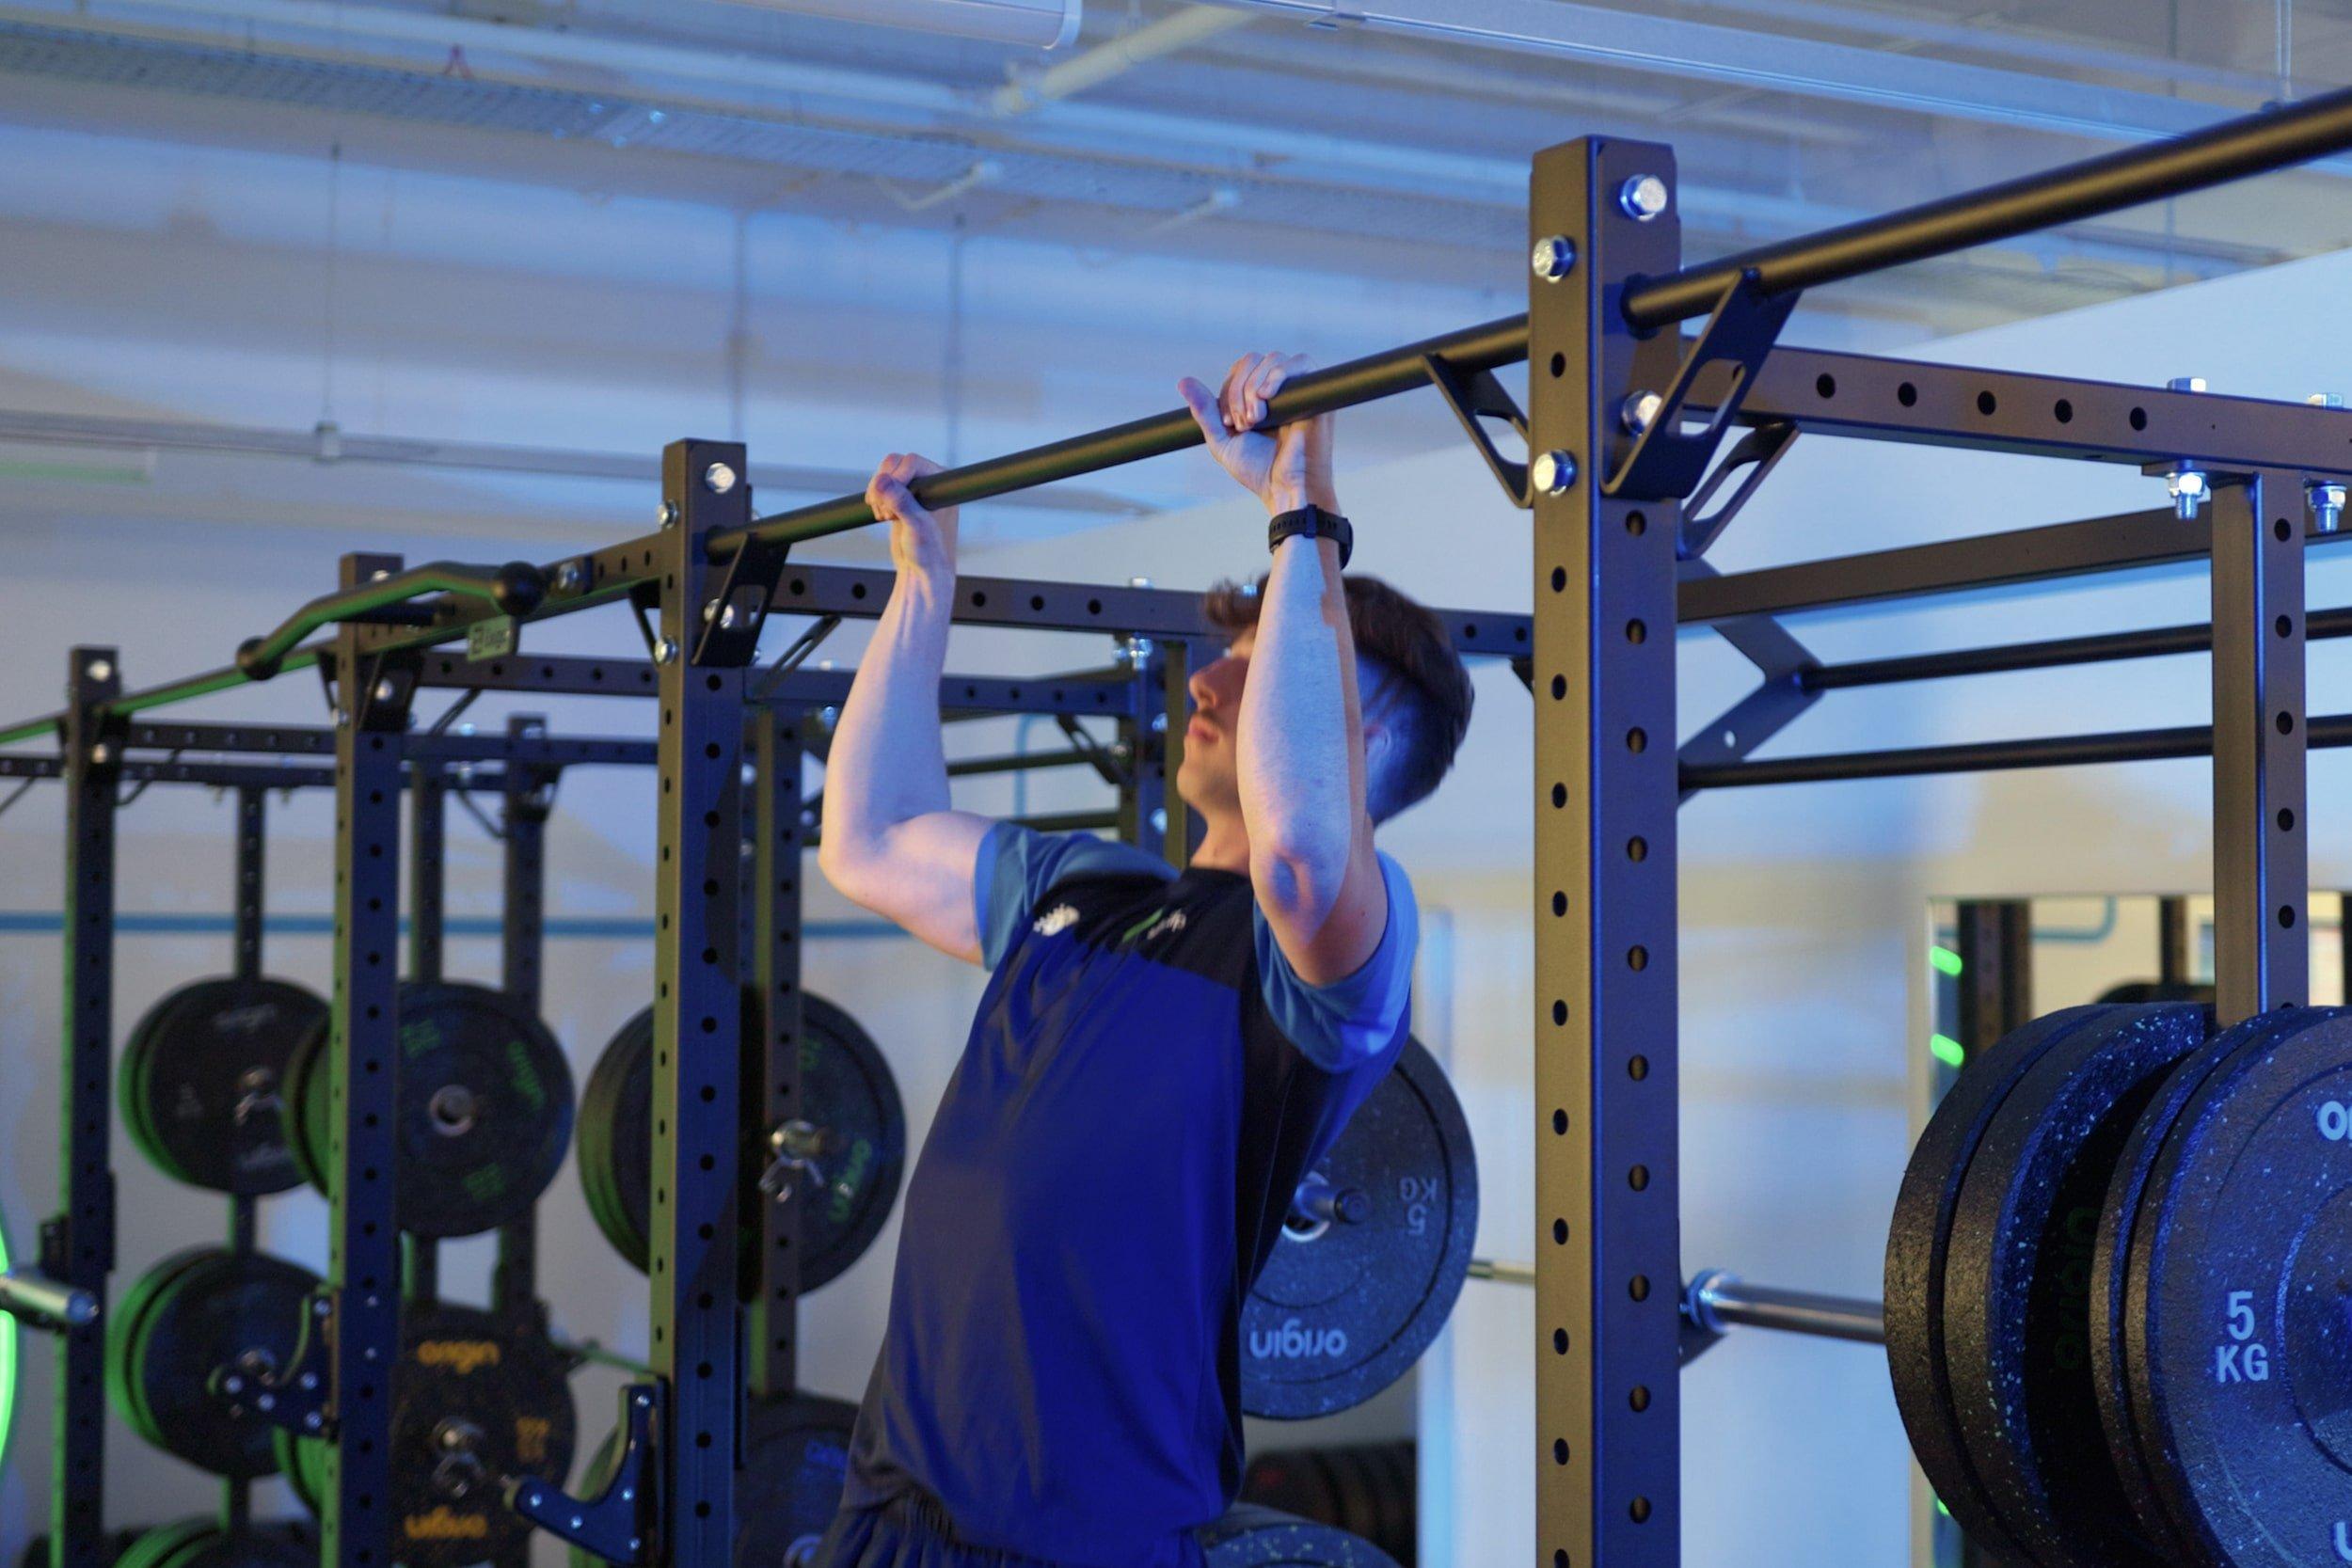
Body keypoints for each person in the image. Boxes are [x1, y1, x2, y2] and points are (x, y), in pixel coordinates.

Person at [809, 351, 1474, 1568]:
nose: (1212, 677)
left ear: (1362, 728)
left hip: (1086, 1542)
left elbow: (1303, 855)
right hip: (888, 1516)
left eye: (1256, 653)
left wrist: (1301, 517)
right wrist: (924, 585)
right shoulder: (1094, 890)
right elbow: (868, 837)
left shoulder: (1327, 972)